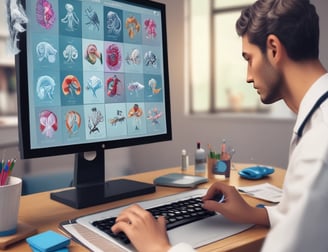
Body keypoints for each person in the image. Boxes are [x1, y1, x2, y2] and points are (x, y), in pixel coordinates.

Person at [111, 0, 328, 251]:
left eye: (249, 59)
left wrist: (159, 248)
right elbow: (313, 218)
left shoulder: (318, 146)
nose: (248, 76)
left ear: (273, 49)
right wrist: (254, 214)